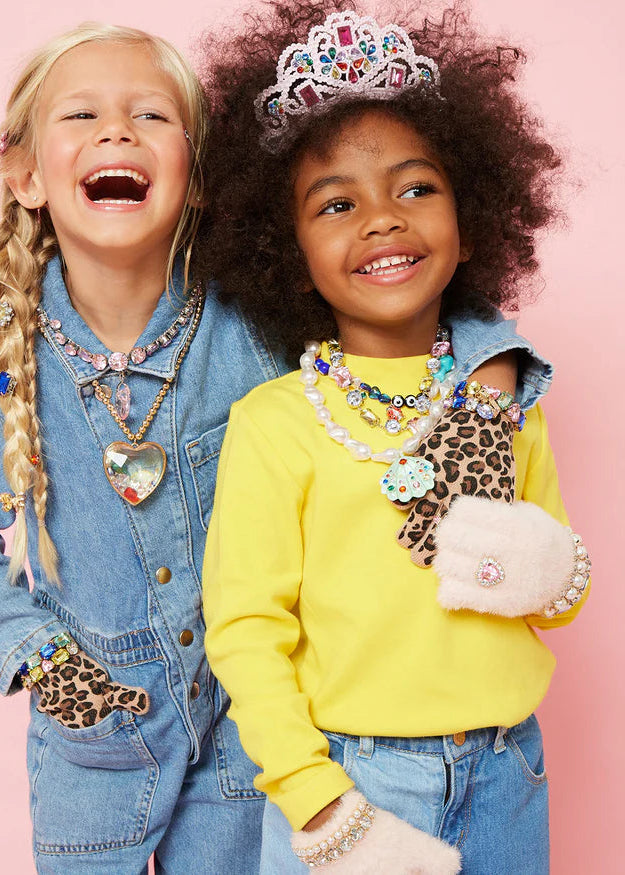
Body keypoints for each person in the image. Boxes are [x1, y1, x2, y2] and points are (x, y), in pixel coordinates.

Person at [0, 16, 553, 875]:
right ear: (24, 173)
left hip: (248, 743)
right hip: (95, 758)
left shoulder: (257, 323)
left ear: (198, 178)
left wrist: (489, 377)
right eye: (80, 117)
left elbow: (413, 306)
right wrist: (43, 659)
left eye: (150, 115)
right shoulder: (10, 360)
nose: (116, 131)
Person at [200, 2, 590, 873]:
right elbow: (244, 629)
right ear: (285, 248)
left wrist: (554, 567)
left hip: (508, 768)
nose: (381, 217)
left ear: (470, 220)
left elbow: (558, 596)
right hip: (354, 779)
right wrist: (319, 803)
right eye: (336, 203)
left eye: (415, 187)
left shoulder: (504, 397)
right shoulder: (276, 422)